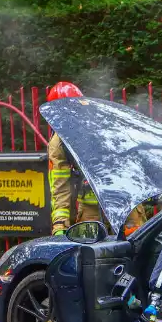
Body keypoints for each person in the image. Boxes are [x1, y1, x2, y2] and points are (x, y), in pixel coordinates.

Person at [44, 81, 146, 236]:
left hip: (125, 202)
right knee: (92, 255)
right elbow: (60, 186)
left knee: (135, 248)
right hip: (90, 210)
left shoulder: (104, 123)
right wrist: (60, 225)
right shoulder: (59, 142)